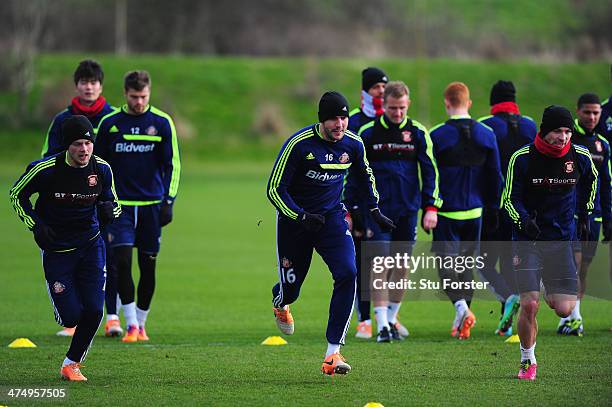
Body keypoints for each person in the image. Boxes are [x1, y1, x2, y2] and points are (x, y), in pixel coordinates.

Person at [267, 91, 395, 375]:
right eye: (334, 119)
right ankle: (281, 300)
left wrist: (374, 210)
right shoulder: (299, 145)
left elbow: (365, 176)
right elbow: (275, 190)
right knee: (292, 289)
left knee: (349, 272)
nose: (340, 124)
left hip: (333, 221)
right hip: (295, 224)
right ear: (322, 120)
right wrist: (300, 216)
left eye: (344, 117)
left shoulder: (354, 144)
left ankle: (333, 352)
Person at [9, 115, 121, 381]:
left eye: (88, 143)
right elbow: (17, 195)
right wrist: (35, 225)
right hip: (57, 250)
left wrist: (109, 212)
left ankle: (71, 363)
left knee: (95, 310)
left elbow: (114, 203)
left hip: (91, 246)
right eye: (77, 144)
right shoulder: (45, 170)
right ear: (66, 146)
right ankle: (64, 304)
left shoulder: (102, 169)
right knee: (70, 318)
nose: (84, 149)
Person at [504, 105, 597, 381]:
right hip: (528, 241)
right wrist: (523, 221)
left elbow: (591, 182)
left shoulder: (579, 156)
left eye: (568, 131)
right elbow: (509, 199)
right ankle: (527, 360)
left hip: (561, 241)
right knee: (530, 304)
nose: (564, 137)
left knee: (565, 308)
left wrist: (585, 214)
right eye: (558, 131)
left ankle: (541, 286)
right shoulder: (522, 158)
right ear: (544, 130)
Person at [345, 81, 441, 342]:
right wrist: (351, 207)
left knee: (401, 266)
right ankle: (382, 325)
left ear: (407, 104)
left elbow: (430, 172)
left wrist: (430, 207)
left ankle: (391, 317)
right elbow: (354, 175)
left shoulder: (418, 132)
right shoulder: (368, 133)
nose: (397, 113)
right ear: (383, 105)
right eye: (392, 108)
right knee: (379, 262)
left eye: (401, 108)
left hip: (408, 210)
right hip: (377, 212)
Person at [95, 70, 181, 343]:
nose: (139, 102)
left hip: (151, 207)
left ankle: (142, 324)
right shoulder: (110, 124)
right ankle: (130, 324)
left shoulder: (162, 123)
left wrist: (168, 202)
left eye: (143, 97)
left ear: (149, 92)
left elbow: (173, 165)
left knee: (148, 266)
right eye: (134, 97)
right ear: (125, 94)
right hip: (119, 208)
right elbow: (97, 167)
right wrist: (101, 199)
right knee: (121, 263)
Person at [41, 59, 120, 338]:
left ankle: (112, 317)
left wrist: (107, 196)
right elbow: (47, 157)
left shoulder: (112, 117)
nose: (89, 86)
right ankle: (72, 319)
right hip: (71, 203)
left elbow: (116, 159)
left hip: (102, 198)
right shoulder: (62, 119)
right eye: (84, 82)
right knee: (77, 259)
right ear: (77, 85)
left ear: (101, 85)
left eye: (94, 82)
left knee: (109, 260)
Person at [429, 82, 503, 340]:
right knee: (466, 267)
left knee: (446, 267)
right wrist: (494, 208)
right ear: (469, 103)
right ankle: (461, 321)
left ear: (447, 103)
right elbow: (495, 174)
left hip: (447, 213)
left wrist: (429, 206)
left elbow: (431, 176)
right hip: (476, 213)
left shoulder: (437, 135)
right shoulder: (486, 133)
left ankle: (461, 309)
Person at [478, 80, 537, 336]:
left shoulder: (485, 126)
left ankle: (507, 297)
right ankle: (510, 321)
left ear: (494, 102)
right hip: (524, 208)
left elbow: (483, 169)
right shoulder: (530, 125)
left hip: (495, 205)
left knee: (484, 261)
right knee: (513, 261)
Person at [556, 94, 611, 336]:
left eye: (596, 113)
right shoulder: (567, 139)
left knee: (584, 268)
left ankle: (568, 316)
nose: (592, 117)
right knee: (573, 264)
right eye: (587, 112)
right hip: (570, 214)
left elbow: (607, 184)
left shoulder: (603, 145)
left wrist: (608, 219)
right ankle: (574, 318)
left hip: (594, 215)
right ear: (577, 111)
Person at [346, 67, 390, 340]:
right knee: (361, 262)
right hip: (358, 202)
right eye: (376, 87)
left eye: (384, 87)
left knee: (384, 262)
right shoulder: (353, 121)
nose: (381, 92)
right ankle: (363, 319)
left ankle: (386, 318)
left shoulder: (391, 121)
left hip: (385, 202)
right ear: (365, 90)